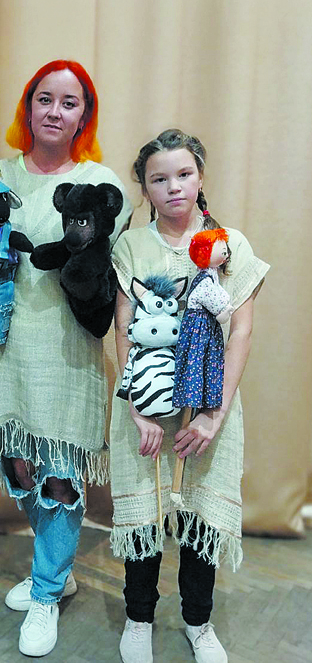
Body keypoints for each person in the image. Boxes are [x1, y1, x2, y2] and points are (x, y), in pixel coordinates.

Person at [0, 60, 133, 657]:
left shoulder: (100, 181)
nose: (55, 112)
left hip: (69, 351)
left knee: (61, 474)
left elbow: (108, 271)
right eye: (44, 99)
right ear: (28, 106)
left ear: (84, 116)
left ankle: (45, 594)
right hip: (9, 346)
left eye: (70, 103)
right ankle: (58, 571)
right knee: (19, 468)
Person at [110, 129, 268, 663]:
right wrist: (138, 410)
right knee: (146, 516)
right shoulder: (131, 246)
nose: (173, 187)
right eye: (159, 179)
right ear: (145, 188)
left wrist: (213, 415)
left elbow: (241, 331)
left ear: (200, 177)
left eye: (184, 174)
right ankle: (138, 619)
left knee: (201, 519)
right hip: (146, 402)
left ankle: (199, 623)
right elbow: (123, 330)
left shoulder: (230, 244)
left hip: (208, 404)